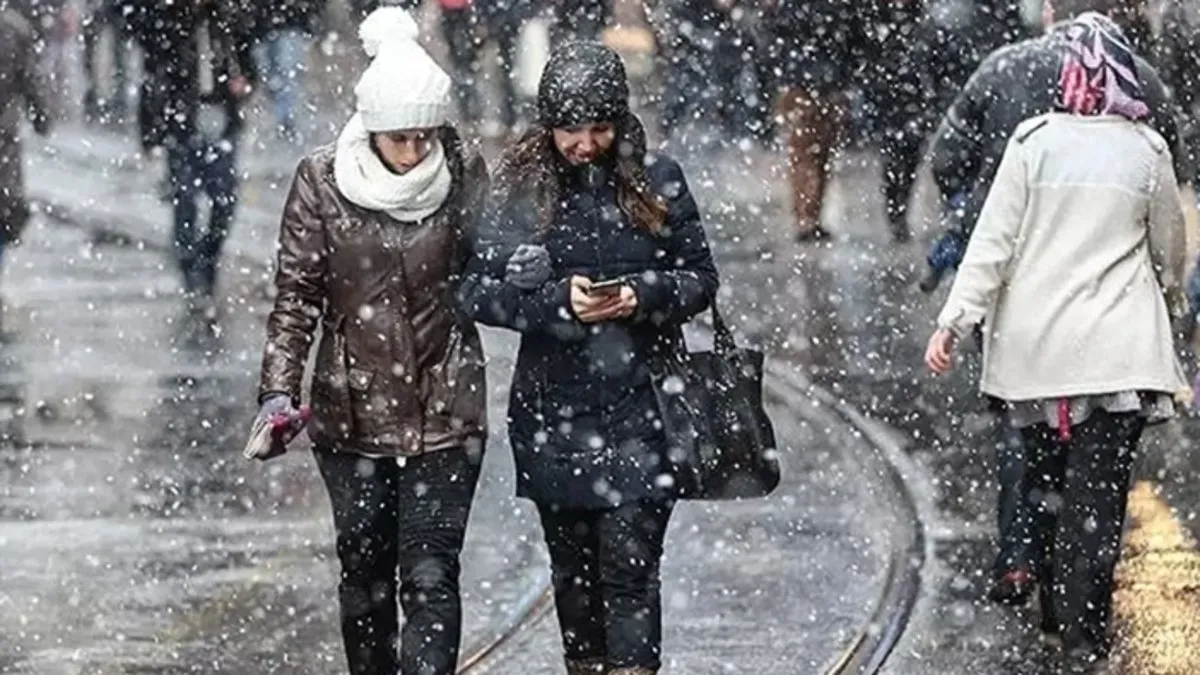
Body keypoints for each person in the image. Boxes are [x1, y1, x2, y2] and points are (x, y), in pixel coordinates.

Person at [925, 13, 1188, 672]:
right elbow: (1168, 250)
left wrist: (953, 321)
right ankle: (1083, 632)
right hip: (1117, 358)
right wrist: (1171, 300)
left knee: (1042, 481)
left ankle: (1043, 592)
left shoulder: (1032, 142)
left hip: (1035, 355)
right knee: (1098, 498)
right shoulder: (1147, 150)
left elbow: (992, 244)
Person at [458, 42, 719, 675]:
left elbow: (700, 278)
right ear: (548, 125)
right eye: (570, 129)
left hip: (645, 408)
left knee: (631, 568)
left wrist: (640, 295)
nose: (584, 144)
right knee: (573, 574)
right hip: (554, 415)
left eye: (599, 128)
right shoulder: (520, 191)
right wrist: (556, 303)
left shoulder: (659, 180)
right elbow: (475, 290)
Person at [255, 8, 489, 674]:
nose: (413, 151)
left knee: (431, 571)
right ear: (371, 128)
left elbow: (491, 269)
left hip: (447, 409)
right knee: (364, 573)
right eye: (399, 138)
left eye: (423, 136)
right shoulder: (321, 180)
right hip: (351, 413)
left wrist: (519, 274)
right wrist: (278, 391)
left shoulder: (463, 171)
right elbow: (296, 296)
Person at [126, 0, 256, 312]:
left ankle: (208, 257)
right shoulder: (167, 23)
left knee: (224, 201)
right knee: (184, 201)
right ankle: (190, 270)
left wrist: (245, 83)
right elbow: (152, 77)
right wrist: (149, 133)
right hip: (182, 125)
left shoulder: (228, 21)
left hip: (221, 122)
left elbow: (248, 63)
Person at [0, 7, 50, 280]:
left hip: (5, 133)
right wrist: (40, 116)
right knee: (5, 205)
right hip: (4, 133)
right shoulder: (14, 28)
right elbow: (31, 78)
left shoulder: (14, 29)